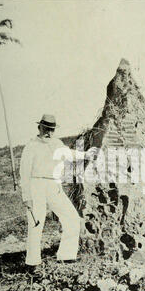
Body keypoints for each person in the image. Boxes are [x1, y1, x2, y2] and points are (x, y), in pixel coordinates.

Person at [20, 114, 94, 275]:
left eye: (51, 130)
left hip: (54, 184)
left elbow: (70, 154)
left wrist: (86, 155)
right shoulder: (31, 146)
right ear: (39, 128)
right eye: (46, 129)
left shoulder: (57, 144)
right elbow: (24, 174)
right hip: (36, 184)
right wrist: (27, 197)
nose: (49, 132)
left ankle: (66, 256)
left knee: (72, 218)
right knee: (36, 223)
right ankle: (32, 263)